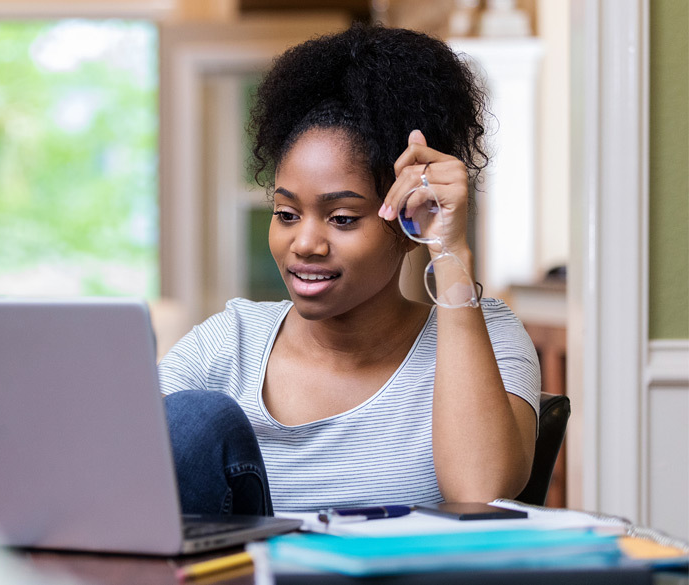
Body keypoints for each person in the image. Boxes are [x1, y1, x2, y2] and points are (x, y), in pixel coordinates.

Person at [158, 23, 541, 516]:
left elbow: (479, 495)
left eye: (342, 218)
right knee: (188, 419)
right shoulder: (227, 345)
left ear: (407, 221)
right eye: (286, 214)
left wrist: (448, 250)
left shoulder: (486, 336)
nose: (306, 243)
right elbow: (115, 466)